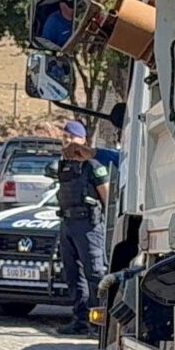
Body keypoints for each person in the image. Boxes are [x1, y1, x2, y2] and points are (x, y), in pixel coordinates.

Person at [52, 120, 109, 336]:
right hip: (68, 225)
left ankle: (98, 324)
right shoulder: (64, 168)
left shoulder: (93, 166)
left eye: (71, 138)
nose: (66, 142)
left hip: (89, 227)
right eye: (64, 137)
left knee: (95, 274)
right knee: (73, 274)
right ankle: (80, 320)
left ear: (83, 141)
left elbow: (107, 197)